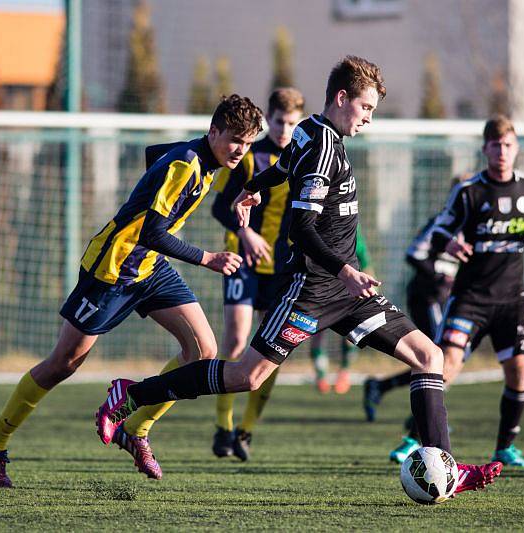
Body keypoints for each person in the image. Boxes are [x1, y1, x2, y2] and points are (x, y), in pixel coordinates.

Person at [95, 56, 502, 494]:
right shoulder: (324, 148)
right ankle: (132, 395)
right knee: (246, 377)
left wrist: (254, 187)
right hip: (311, 289)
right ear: (342, 98)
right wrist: (346, 269)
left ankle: (446, 467)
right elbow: (301, 230)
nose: (368, 119)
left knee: (430, 357)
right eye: (365, 108)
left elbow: (284, 166)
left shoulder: (309, 129)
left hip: (348, 293)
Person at [0, 95, 263, 488]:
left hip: (150, 267)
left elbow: (153, 156)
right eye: (234, 141)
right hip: (112, 269)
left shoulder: (202, 159)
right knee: (64, 362)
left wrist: (246, 192)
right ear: (213, 132)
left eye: (247, 144)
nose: (240, 151)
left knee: (203, 351)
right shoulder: (186, 164)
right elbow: (152, 232)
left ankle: (135, 429)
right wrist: (207, 257)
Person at [428, 115, 524, 468]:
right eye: (495, 145)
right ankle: (415, 437)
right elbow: (439, 232)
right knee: (445, 366)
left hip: (513, 298)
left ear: (517, 148)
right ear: (485, 149)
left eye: (508, 145)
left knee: (520, 371)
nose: (502, 151)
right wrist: (450, 245)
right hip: (470, 298)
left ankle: (505, 447)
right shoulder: (469, 191)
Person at [209, 87, 305, 461]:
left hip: (282, 271)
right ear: (270, 119)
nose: (284, 130)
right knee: (234, 343)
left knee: (273, 352)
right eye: (279, 121)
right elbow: (219, 207)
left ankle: (246, 431)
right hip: (242, 262)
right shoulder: (249, 157)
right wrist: (245, 232)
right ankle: (223, 425)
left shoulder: (303, 159)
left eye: (292, 123)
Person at [362, 212, 460, 462]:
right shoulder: (442, 222)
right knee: (437, 360)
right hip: (428, 296)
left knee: (442, 363)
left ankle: (387, 391)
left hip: (453, 298)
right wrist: (439, 277)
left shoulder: (481, 224)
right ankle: (418, 433)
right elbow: (414, 254)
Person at [309, 224, 373, 394]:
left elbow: (365, 262)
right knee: (315, 331)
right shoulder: (312, 226)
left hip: (345, 290)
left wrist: (371, 289)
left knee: (350, 334)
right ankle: (321, 374)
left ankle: (344, 371)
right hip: (318, 288)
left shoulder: (350, 229)